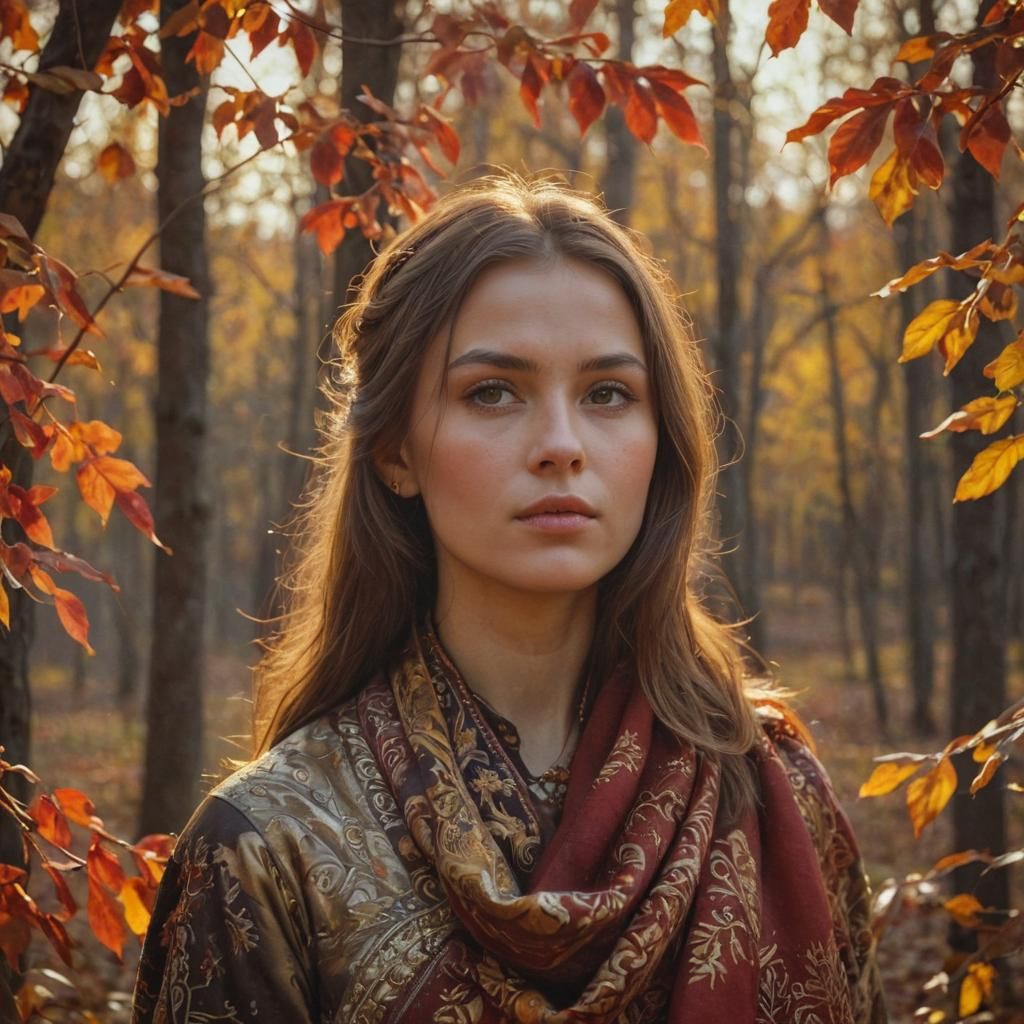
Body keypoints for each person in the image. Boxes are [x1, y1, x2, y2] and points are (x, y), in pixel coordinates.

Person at [131, 174, 885, 1024]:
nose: (562, 445)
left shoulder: (770, 787)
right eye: (493, 391)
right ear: (395, 453)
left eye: (608, 394)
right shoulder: (266, 849)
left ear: (660, 441)